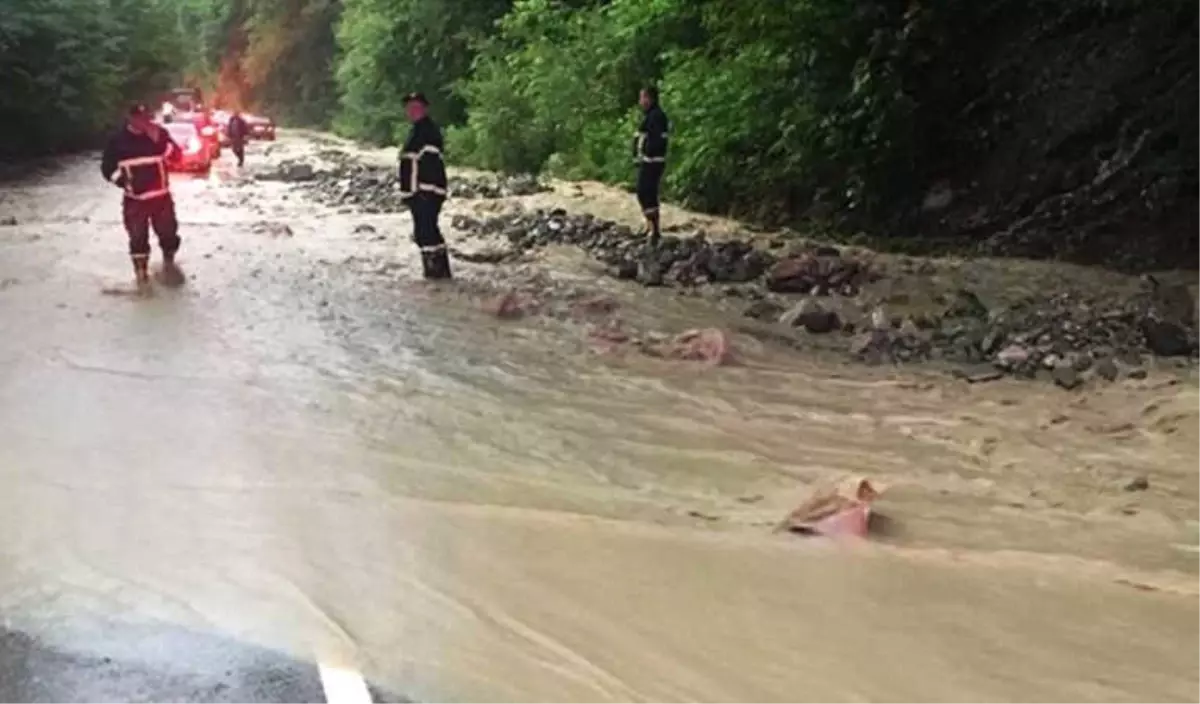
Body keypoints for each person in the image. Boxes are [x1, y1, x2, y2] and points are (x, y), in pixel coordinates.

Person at [100, 103, 185, 289]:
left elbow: (177, 156)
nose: (143, 122)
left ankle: (168, 264)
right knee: (137, 237)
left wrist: (162, 143)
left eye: (145, 117)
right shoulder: (117, 140)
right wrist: (124, 182)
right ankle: (141, 277)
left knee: (169, 233)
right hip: (135, 200)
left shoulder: (159, 134)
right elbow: (107, 168)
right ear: (129, 119)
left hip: (161, 197)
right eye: (138, 118)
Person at [398, 92, 451, 280]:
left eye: (416, 107)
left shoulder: (427, 131)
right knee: (426, 232)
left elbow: (431, 164)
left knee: (426, 232)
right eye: (409, 107)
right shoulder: (417, 130)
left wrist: (424, 192)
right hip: (418, 192)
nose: (412, 111)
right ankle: (439, 275)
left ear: (424, 108)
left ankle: (436, 275)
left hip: (426, 192)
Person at [632, 85, 670, 245]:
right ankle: (651, 227)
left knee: (646, 192)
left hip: (652, 161)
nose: (641, 101)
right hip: (648, 160)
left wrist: (646, 154)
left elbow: (656, 140)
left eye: (642, 97)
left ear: (649, 98)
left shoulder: (657, 116)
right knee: (645, 193)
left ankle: (654, 230)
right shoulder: (650, 116)